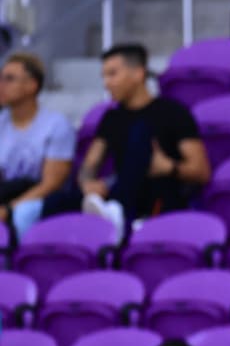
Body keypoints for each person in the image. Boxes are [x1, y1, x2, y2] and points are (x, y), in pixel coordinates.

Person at [74, 43, 210, 240]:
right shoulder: (111, 117)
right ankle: (116, 212)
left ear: (138, 74)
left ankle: (118, 213)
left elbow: (201, 171)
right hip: (122, 188)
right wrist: (88, 183)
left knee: (140, 132)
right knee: (56, 202)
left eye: (112, 74)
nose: (107, 83)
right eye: (104, 76)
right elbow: (90, 164)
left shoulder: (172, 112)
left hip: (161, 194)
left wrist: (169, 167)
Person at [0, 52, 75, 236]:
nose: (1, 85)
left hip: (40, 201)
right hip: (6, 193)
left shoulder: (56, 125)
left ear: (32, 85)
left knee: (23, 215)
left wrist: (9, 209)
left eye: (9, 79)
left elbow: (51, 184)